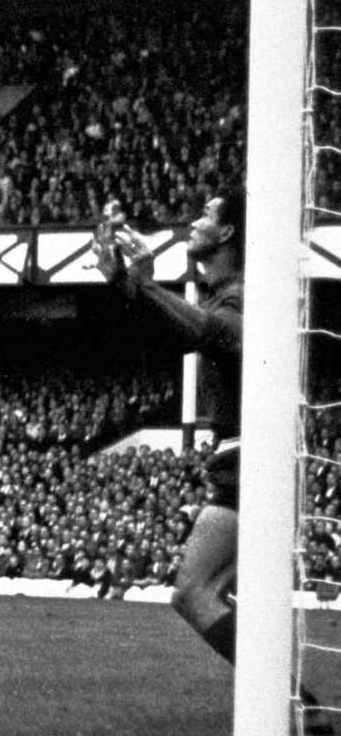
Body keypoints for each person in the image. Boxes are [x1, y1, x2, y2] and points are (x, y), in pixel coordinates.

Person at [94, 190, 333, 733]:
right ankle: (298, 705)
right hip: (254, 457)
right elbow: (184, 333)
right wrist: (127, 282)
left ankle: (298, 702)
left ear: (226, 234)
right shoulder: (230, 293)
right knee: (215, 594)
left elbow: (209, 333)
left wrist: (144, 280)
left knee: (195, 593)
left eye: (205, 214)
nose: (194, 221)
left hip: (254, 457)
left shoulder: (243, 296)